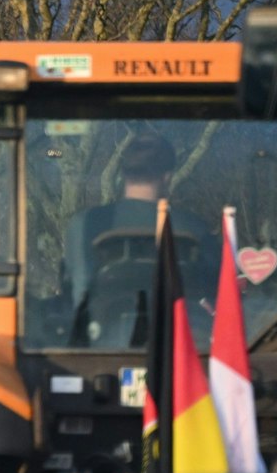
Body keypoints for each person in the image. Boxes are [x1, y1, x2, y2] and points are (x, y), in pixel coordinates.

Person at [64, 133, 212, 334]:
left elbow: (77, 290)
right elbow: (213, 290)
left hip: (96, 342)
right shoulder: (194, 228)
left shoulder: (84, 225)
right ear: (167, 177)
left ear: (124, 175)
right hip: (178, 341)